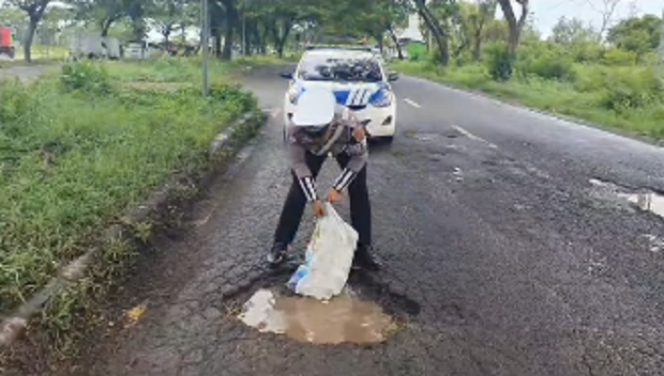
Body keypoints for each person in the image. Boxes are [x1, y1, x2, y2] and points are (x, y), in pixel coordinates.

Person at [268, 86, 381, 271]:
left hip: (343, 146)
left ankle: (363, 247)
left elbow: (359, 158)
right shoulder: (294, 131)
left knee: (359, 188)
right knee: (298, 190)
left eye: (319, 133)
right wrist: (314, 199)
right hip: (311, 153)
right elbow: (299, 165)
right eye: (310, 133)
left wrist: (338, 187)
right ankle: (280, 245)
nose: (316, 137)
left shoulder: (350, 124)